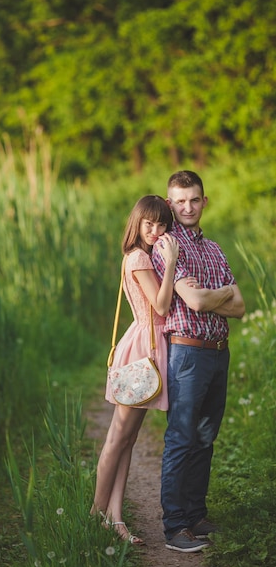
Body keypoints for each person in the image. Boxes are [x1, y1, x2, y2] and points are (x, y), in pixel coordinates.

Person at [151, 170, 245, 553]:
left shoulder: (215, 249)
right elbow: (197, 302)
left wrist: (215, 295)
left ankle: (195, 515)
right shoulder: (167, 246)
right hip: (187, 354)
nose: (187, 207)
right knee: (181, 438)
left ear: (204, 201)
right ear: (169, 202)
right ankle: (175, 527)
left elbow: (239, 308)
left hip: (218, 352)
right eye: (180, 201)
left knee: (205, 438)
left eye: (194, 200)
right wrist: (219, 294)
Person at [91, 195, 188, 544]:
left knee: (128, 440)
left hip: (148, 347)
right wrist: (173, 261)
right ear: (137, 222)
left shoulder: (143, 256)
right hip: (142, 350)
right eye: (149, 223)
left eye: (162, 224)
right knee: (117, 438)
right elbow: (161, 305)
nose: (155, 230)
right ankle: (96, 514)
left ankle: (115, 518)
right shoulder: (138, 257)